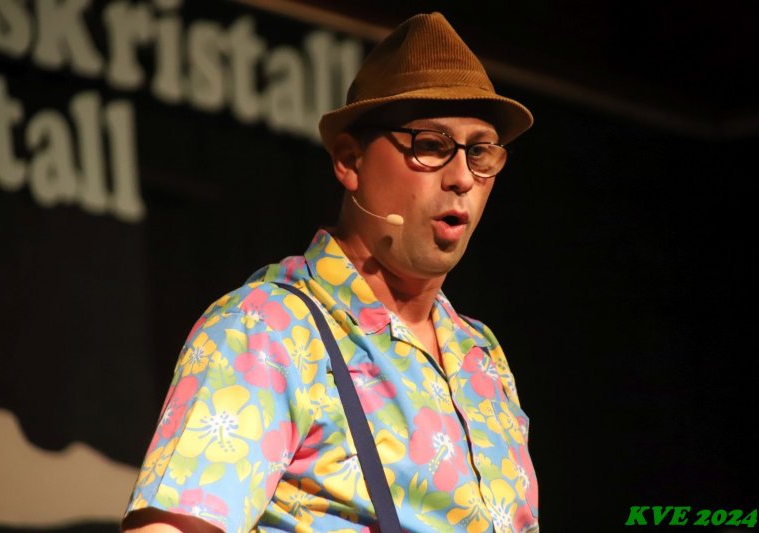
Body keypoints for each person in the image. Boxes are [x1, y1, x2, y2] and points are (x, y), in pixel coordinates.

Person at [122, 12, 538, 533]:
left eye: (479, 152)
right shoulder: (267, 327)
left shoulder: (482, 356)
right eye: (431, 145)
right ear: (349, 161)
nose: (461, 178)